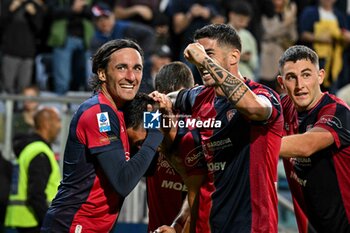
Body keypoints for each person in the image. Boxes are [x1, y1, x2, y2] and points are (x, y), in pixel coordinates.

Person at [154, 23, 283, 233]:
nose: (199, 62)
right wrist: (158, 112)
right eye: (198, 56)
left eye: (209, 53)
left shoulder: (264, 96)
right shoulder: (199, 98)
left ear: (233, 57)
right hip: (212, 224)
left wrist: (203, 60)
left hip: (252, 226)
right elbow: (166, 100)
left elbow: (254, 110)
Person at [41, 39, 164, 232]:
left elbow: (143, 170)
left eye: (137, 68)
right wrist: (156, 134)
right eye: (122, 68)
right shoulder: (98, 113)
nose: (131, 77)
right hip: (73, 225)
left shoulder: (118, 113)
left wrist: (153, 117)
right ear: (102, 73)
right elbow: (123, 182)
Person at [277, 45, 350, 233]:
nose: (300, 85)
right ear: (281, 82)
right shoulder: (284, 106)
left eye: (307, 74)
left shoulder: (338, 111)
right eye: (291, 77)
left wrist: (253, 145)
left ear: (320, 76)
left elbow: (307, 145)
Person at [5, 107, 62, 233]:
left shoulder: (29, 149)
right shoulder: (39, 152)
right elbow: (36, 194)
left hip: (25, 221)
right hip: (34, 222)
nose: (60, 126)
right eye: (57, 121)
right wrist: (49, 224)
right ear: (46, 124)